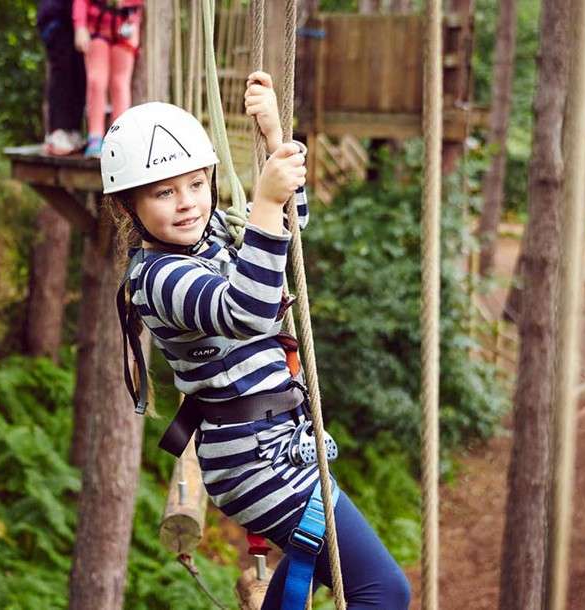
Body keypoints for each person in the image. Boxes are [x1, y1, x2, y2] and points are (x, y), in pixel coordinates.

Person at [104, 72, 412, 610]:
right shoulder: (157, 279)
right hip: (253, 462)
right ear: (129, 206)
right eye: (163, 192)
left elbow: (288, 233)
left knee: (318, 578)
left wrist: (274, 138)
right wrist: (264, 202)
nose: (186, 203)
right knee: (383, 591)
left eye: (196, 184)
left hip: (279, 448)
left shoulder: (213, 232)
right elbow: (246, 312)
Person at [73, 0, 144, 157]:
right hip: (97, 27)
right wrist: (80, 26)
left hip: (125, 26)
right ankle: (95, 138)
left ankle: (119, 139)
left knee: (120, 84)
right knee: (96, 81)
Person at [37, 0, 87, 155]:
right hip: (57, 20)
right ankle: (57, 132)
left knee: (79, 76)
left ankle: (72, 131)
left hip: (76, 22)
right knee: (61, 76)